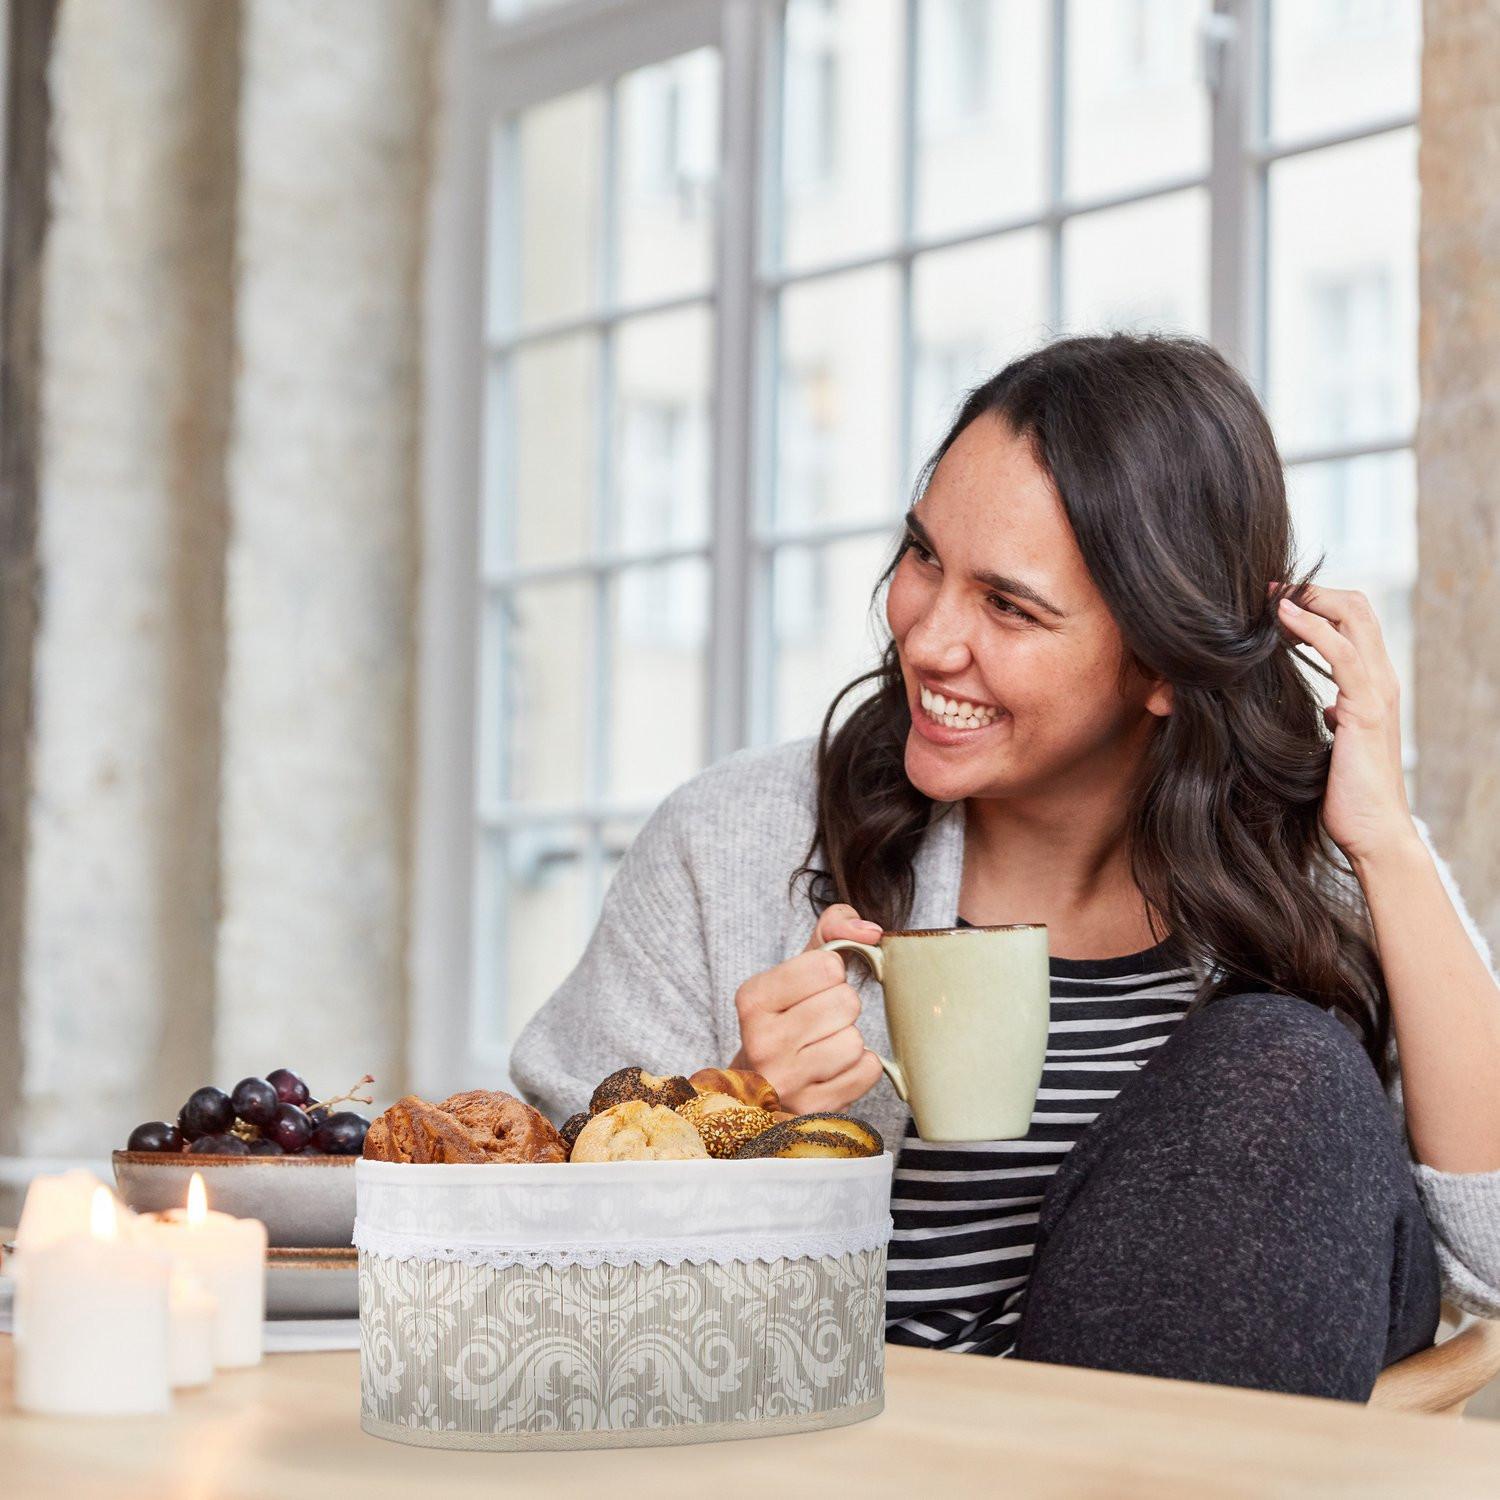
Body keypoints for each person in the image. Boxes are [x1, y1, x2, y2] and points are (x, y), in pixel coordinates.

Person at [510, 332, 1500, 1400]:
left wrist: (1387, 841)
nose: (929, 638)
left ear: (1166, 662)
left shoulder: (1317, 871)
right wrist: (740, 1120)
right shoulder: (733, 843)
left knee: (1282, 1060)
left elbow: (1488, 1261)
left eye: (1009, 606)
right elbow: (526, 1266)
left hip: (1171, 1469)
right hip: (859, 1462)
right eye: (925, 556)